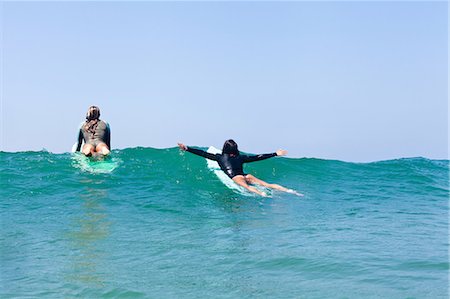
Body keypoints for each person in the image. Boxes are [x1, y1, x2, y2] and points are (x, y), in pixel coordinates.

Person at [177, 139, 302, 197]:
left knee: (248, 188)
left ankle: (262, 194)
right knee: (267, 184)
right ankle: (289, 191)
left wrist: (187, 148)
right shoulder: (241, 157)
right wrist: (275, 153)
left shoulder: (219, 157)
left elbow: (203, 153)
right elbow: (257, 157)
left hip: (236, 178)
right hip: (246, 175)